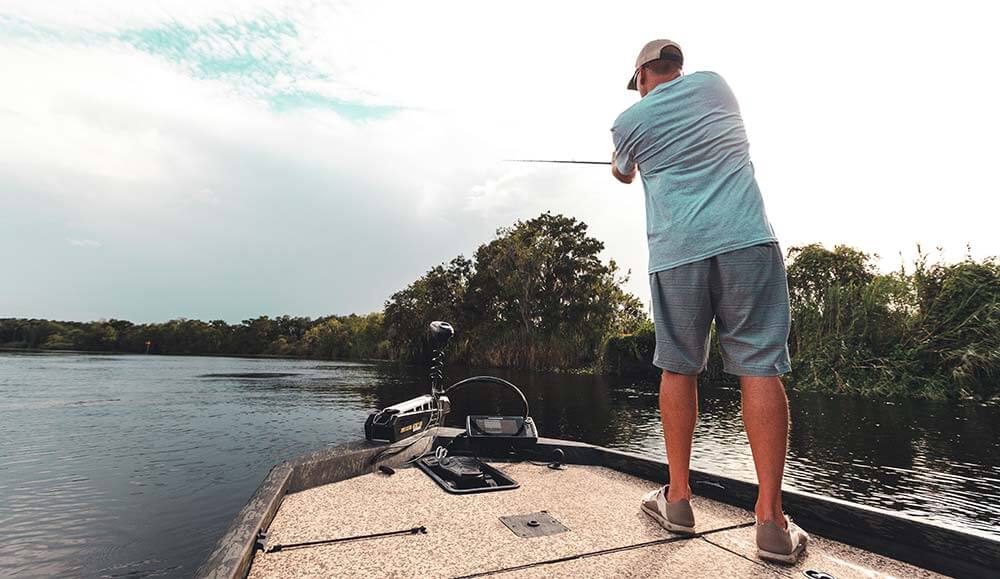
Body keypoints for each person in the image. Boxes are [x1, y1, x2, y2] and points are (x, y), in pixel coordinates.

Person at [610, 39, 809, 564]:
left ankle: (677, 502)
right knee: (760, 370)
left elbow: (624, 171)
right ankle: (770, 522)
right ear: (677, 66)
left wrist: (621, 161)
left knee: (679, 369)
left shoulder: (628, 121)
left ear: (643, 76)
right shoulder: (717, 86)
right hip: (747, 242)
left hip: (678, 254)